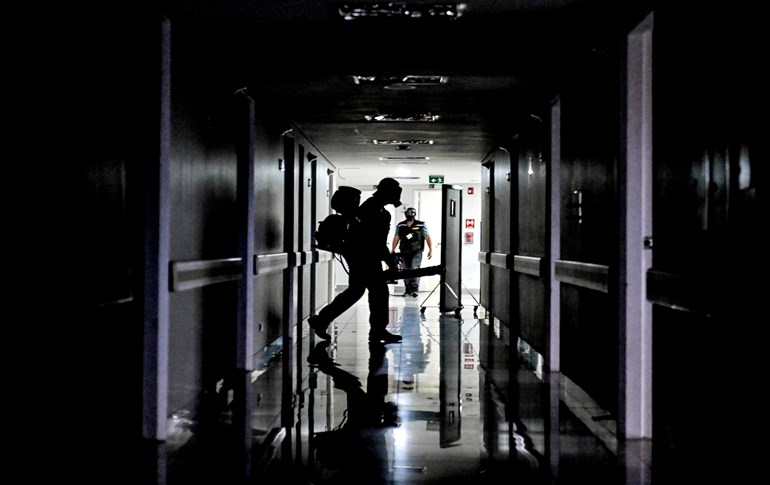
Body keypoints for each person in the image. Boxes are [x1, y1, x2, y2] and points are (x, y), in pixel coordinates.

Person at [310, 177, 403, 344]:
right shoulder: (374, 210)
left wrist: (388, 260)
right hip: (364, 257)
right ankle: (378, 331)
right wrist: (390, 262)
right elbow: (376, 242)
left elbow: (377, 242)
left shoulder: (376, 209)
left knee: (357, 291)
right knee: (378, 292)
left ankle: (322, 320)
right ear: (387, 192)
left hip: (361, 255)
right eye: (395, 193)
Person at [391, 206, 433, 297]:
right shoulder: (401, 225)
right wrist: (392, 249)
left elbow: (427, 237)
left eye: (412, 213)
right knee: (405, 270)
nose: (410, 214)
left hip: (417, 251)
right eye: (408, 212)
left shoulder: (421, 225)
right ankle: (407, 290)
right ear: (405, 214)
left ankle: (414, 289)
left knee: (414, 268)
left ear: (415, 214)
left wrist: (430, 250)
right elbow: (396, 237)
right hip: (404, 251)